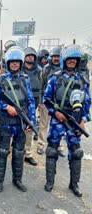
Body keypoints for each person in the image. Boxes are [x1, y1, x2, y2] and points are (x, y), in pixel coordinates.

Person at [43, 45, 91, 197]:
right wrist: (55, 112)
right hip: (58, 120)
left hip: (74, 120)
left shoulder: (82, 80)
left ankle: (74, 184)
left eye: (74, 60)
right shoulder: (55, 78)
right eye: (69, 59)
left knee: (76, 152)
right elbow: (46, 99)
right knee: (51, 150)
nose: (71, 62)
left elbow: (87, 102)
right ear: (64, 61)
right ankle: (50, 181)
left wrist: (83, 120)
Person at [0, 46, 36, 192]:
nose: (15, 64)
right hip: (6, 121)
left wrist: (31, 121)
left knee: (19, 152)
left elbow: (30, 100)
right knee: (3, 151)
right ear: (8, 63)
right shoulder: (1, 79)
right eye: (12, 62)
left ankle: (17, 179)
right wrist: (5, 107)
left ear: (21, 63)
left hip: (21, 122)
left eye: (17, 62)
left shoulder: (25, 79)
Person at [37, 47, 66, 157]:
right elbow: (41, 86)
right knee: (43, 123)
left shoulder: (65, 68)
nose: (55, 58)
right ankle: (40, 145)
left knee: (60, 124)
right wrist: (40, 101)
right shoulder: (46, 69)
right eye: (53, 56)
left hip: (60, 103)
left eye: (57, 56)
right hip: (47, 101)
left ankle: (59, 146)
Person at [22, 47, 41, 166]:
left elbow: (43, 87)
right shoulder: (19, 69)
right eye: (27, 55)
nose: (30, 57)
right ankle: (15, 150)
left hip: (33, 103)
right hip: (19, 102)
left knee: (30, 128)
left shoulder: (40, 71)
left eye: (32, 56)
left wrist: (40, 100)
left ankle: (28, 154)